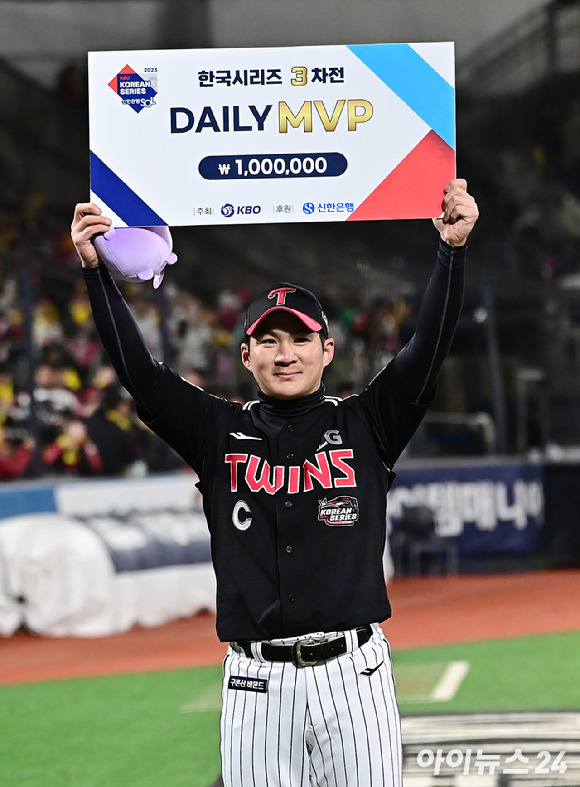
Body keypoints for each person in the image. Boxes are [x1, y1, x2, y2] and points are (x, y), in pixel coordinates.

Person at [71, 178, 478, 787]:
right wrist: (94, 270)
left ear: (327, 349)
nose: (285, 353)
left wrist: (451, 250)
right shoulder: (216, 431)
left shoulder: (368, 423)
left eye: (299, 339)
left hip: (355, 680)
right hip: (256, 685)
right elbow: (140, 373)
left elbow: (428, 348)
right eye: (268, 339)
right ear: (245, 356)